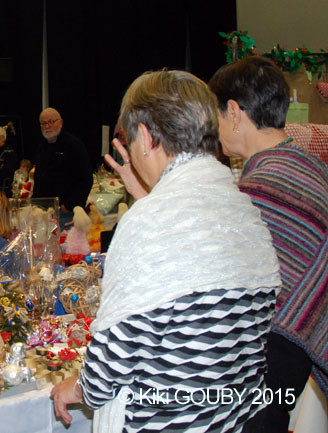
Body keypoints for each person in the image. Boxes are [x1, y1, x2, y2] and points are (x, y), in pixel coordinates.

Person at [51, 70, 282, 432]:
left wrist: (79, 387)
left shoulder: (152, 221)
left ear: (144, 135)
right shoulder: (244, 210)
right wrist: (150, 200)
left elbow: (118, 351)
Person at [209, 56, 328, 432]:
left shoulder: (260, 186)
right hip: (300, 334)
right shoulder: (310, 165)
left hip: (276, 343)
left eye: (216, 115)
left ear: (232, 111)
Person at [34, 108, 91, 227]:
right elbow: (39, 178)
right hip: (44, 212)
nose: (47, 126)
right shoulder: (41, 146)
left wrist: (70, 205)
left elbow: (86, 179)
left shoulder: (74, 145)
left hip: (66, 213)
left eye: (51, 122)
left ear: (60, 123)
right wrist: (35, 204)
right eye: (44, 123)